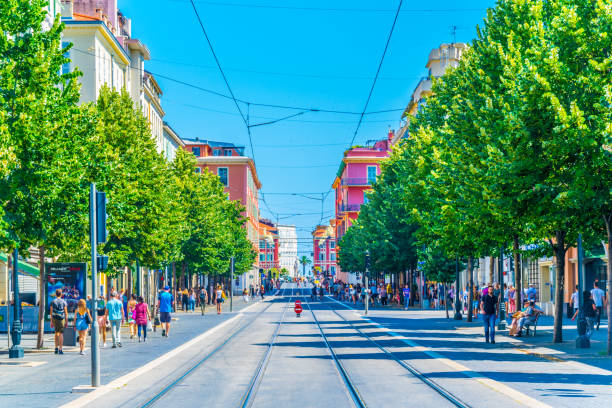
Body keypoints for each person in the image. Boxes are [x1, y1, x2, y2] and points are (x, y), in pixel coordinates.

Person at [50, 289, 68, 355]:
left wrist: (51, 321)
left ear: (55, 294)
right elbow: (66, 312)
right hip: (61, 319)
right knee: (61, 333)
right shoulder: (64, 302)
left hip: (54, 318)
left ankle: (56, 348)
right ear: (61, 294)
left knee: (56, 332)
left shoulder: (52, 301)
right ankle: (60, 349)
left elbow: (51, 312)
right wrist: (66, 321)